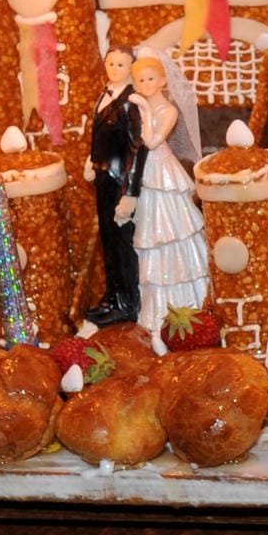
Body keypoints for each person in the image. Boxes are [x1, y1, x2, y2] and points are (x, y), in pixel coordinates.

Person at [128, 48, 209, 332]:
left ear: (163, 81)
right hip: (145, 173)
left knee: (175, 229)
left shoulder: (168, 110)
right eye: (140, 80)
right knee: (151, 233)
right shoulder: (137, 107)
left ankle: (190, 301)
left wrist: (145, 109)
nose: (145, 85)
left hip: (162, 170)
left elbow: (151, 141)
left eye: (150, 79)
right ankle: (156, 307)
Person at [86, 47, 144, 324]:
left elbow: (136, 148)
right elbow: (101, 133)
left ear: (131, 66)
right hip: (103, 178)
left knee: (123, 242)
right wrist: (93, 159)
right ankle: (112, 296)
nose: (115, 68)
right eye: (111, 63)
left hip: (120, 182)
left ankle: (127, 302)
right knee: (107, 240)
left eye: (121, 64)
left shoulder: (130, 101)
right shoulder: (105, 93)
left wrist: (130, 194)